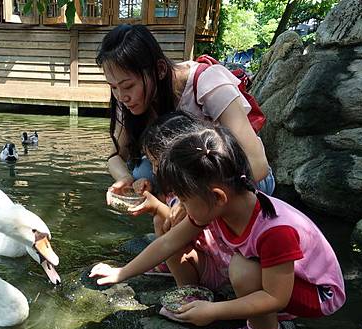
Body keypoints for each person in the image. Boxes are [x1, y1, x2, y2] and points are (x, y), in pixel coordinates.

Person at [89, 119, 346, 329]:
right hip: (275, 277)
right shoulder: (219, 206)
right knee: (194, 249)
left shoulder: (275, 231)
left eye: (184, 199)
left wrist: (214, 312)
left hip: (315, 291)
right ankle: (193, 298)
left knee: (243, 269)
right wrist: (121, 272)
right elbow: (168, 243)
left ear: (217, 196)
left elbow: (275, 297)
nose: (181, 207)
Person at [96, 24, 275, 273]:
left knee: (160, 183)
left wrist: (189, 198)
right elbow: (116, 156)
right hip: (189, 189)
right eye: (113, 87)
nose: (121, 96)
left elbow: (258, 164)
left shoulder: (207, 81)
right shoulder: (126, 99)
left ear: (158, 70)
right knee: (141, 174)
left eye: (127, 86)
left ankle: (195, 242)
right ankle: (179, 245)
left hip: (241, 181)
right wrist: (124, 179)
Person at [130, 112, 232, 289]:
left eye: (157, 162)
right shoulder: (178, 189)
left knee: (162, 225)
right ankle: (180, 281)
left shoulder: (199, 196)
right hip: (207, 260)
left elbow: (177, 227)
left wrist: (155, 207)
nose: (154, 170)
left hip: (219, 265)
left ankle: (188, 291)